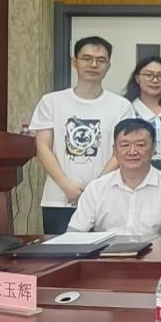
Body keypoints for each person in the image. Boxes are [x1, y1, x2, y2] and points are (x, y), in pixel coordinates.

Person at [30, 36, 134, 226]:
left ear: (108, 66)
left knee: (109, 246)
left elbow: (122, 150)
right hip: (59, 198)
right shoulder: (51, 101)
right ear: (74, 62)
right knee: (59, 246)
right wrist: (66, 185)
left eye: (101, 60)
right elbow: (43, 148)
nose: (93, 64)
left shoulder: (122, 106)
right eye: (87, 58)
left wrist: (95, 187)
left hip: (106, 197)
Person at [68, 119, 161, 237]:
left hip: (155, 251)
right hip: (107, 251)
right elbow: (73, 235)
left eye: (140, 145)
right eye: (125, 145)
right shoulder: (96, 188)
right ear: (114, 150)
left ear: (153, 149)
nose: (132, 151)